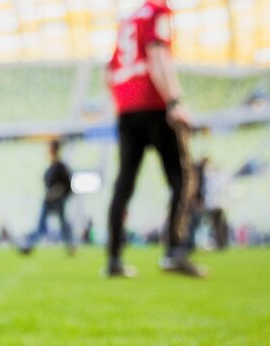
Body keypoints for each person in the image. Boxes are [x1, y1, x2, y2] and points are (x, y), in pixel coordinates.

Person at [103, 0, 204, 278]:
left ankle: (113, 258)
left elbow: (108, 73)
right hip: (155, 104)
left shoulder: (129, 20)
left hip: (127, 111)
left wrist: (123, 103)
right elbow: (158, 55)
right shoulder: (157, 12)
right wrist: (174, 102)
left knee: (124, 184)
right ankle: (175, 250)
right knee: (182, 177)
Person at [20, 139, 75, 255]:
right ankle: (29, 244)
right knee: (41, 225)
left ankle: (70, 245)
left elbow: (67, 186)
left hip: (58, 201)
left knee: (63, 224)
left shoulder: (61, 167)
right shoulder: (49, 168)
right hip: (48, 201)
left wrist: (57, 192)